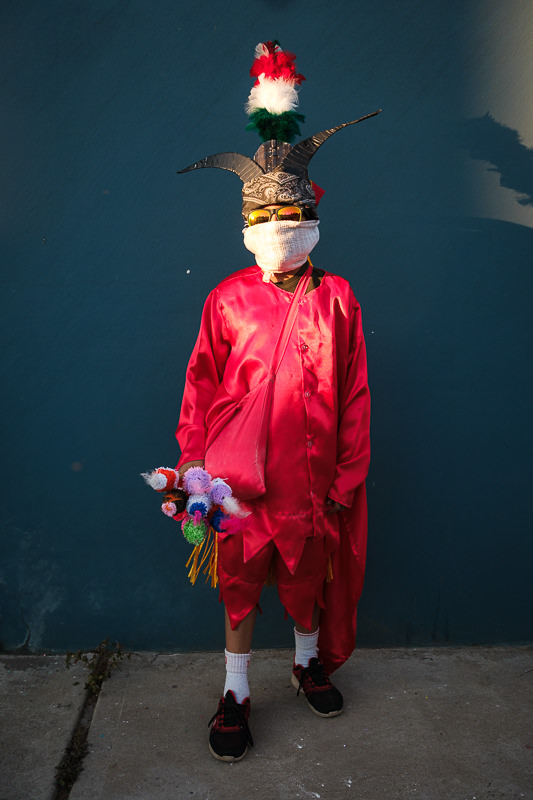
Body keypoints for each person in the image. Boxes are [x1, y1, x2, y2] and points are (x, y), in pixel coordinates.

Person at [175, 41, 379, 762]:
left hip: (311, 476)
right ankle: (235, 691)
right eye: (265, 217)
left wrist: (345, 479)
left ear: (313, 211)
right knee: (239, 586)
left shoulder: (340, 299)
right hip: (237, 479)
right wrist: (194, 468)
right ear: (245, 223)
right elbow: (200, 385)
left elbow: (352, 394)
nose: (278, 227)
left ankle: (304, 661)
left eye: (290, 214)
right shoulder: (225, 297)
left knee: (302, 582)